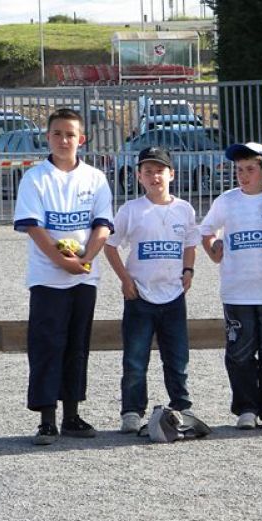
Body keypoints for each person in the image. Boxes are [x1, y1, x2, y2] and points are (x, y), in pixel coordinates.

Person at [13, 107, 114, 445]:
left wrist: (85, 260)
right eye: (57, 133)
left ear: (81, 139)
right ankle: (46, 420)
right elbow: (33, 227)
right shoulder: (35, 178)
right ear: (47, 137)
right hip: (47, 277)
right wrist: (60, 260)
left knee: (77, 345)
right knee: (46, 345)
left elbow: (102, 225)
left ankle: (72, 415)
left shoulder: (95, 178)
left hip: (84, 277)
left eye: (70, 134)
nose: (64, 140)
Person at [104, 146, 200, 434]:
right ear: (139, 177)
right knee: (135, 359)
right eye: (148, 172)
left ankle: (182, 405)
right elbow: (110, 246)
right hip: (140, 296)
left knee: (177, 358)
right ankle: (132, 411)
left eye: (159, 170)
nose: (154, 177)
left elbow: (190, 244)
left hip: (173, 296)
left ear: (172, 174)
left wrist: (188, 270)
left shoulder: (184, 209)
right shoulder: (131, 210)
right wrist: (125, 280)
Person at [200, 142, 262, 430]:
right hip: (237, 290)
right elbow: (206, 229)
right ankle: (246, 408)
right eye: (239, 170)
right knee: (239, 353)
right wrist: (213, 247)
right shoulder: (227, 201)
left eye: (250, 169)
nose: (243, 175)